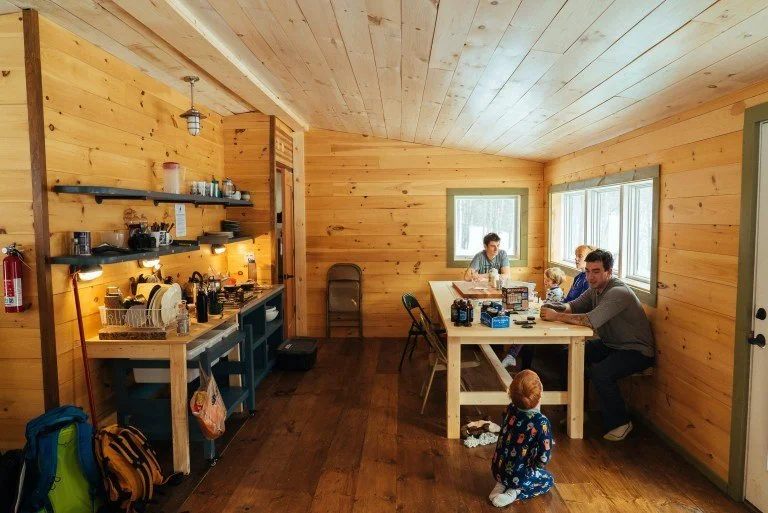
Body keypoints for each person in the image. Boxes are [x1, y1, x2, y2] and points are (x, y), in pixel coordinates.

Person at [540, 249, 654, 441]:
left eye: (596, 271)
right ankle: (578, 411)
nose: (590, 276)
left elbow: (589, 321)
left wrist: (557, 316)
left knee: (601, 372)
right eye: (587, 271)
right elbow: (574, 305)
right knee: (566, 354)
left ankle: (621, 423)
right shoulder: (594, 289)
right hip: (612, 344)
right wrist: (551, 307)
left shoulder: (618, 292)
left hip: (636, 350)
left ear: (609, 272)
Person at [490, 370, 554, 507]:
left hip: (498, 468)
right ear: (541, 394)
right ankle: (515, 492)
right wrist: (535, 467)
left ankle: (500, 485)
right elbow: (544, 458)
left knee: (512, 465)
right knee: (548, 479)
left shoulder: (510, 409)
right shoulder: (541, 422)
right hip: (521, 475)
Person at [501, 267, 566, 369]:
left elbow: (553, 307)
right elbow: (548, 304)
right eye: (545, 279)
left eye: (548, 280)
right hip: (548, 317)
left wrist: (539, 306)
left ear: (556, 282)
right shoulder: (553, 291)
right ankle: (513, 356)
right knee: (523, 324)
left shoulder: (556, 293)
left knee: (525, 329)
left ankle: (512, 356)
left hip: (552, 321)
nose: (545, 282)